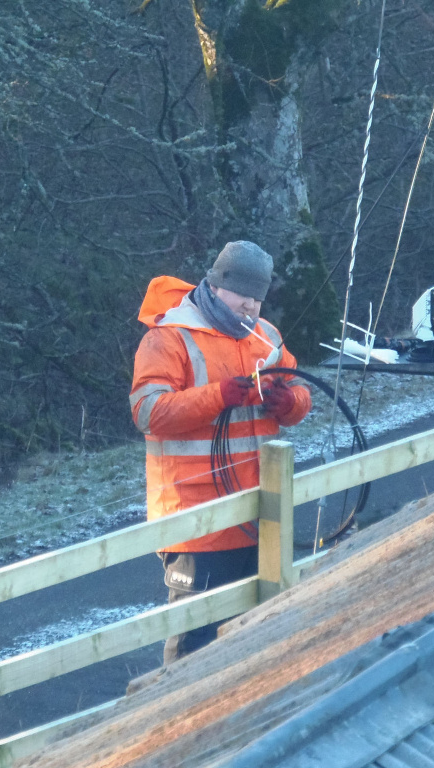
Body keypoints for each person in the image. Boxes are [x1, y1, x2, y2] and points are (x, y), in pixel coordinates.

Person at [129, 240, 311, 663]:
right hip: (197, 524)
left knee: (256, 637)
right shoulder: (169, 336)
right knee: (195, 648)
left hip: (261, 515)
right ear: (215, 284)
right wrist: (219, 396)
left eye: (257, 297)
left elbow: (301, 391)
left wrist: (290, 404)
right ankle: (179, 707)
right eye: (241, 293)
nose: (250, 305)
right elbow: (147, 411)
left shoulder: (267, 336)